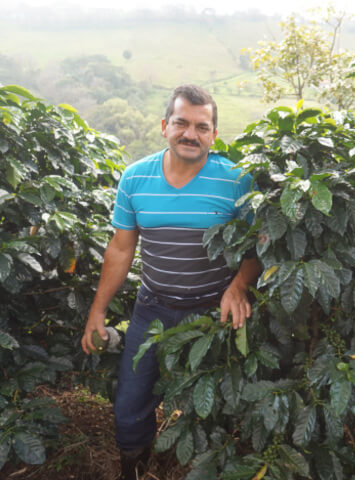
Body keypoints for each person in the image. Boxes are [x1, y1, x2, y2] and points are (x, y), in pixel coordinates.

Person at [81, 84, 260, 480]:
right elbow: (121, 250)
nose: (190, 134)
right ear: (165, 126)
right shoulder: (135, 178)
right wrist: (97, 311)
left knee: (215, 404)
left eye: (202, 126)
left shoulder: (236, 181)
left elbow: (255, 250)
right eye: (181, 123)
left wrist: (239, 285)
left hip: (213, 312)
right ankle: (136, 467)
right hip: (153, 308)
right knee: (131, 401)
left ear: (214, 134)